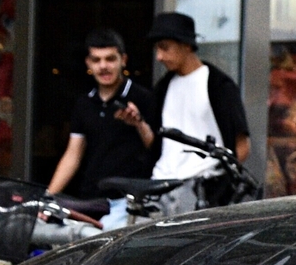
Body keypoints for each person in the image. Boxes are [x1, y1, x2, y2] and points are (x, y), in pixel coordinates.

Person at [45, 29, 158, 218]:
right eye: (96, 60)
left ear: (123, 60)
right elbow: (73, 156)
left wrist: (139, 124)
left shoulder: (144, 98)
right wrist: (47, 198)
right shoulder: (84, 103)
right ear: (88, 63)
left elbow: (157, 149)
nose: (103, 66)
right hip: (91, 201)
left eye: (110, 59)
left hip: (130, 203)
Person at [145, 12, 251, 179]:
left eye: (165, 47)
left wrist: (221, 185)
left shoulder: (218, 85)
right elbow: (155, 142)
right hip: (161, 185)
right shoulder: (162, 87)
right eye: (157, 49)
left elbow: (242, 146)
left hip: (204, 187)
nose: (159, 57)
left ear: (186, 45)